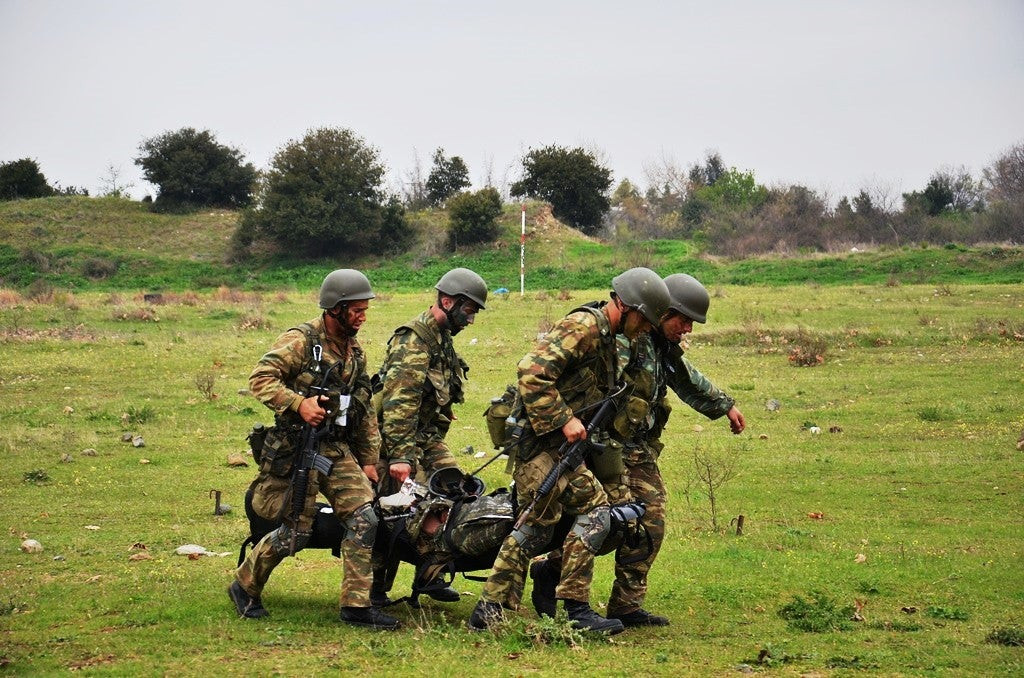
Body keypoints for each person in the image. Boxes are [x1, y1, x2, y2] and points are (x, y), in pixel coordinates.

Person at [529, 272, 745, 627]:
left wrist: (725, 406)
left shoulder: (660, 345)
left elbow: (685, 376)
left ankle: (626, 605)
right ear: (663, 312)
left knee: (650, 522)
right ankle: (555, 578)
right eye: (683, 320)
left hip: (638, 449)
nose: (687, 329)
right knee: (609, 522)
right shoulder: (624, 338)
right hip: (606, 448)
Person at [468, 267, 671, 634]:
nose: (645, 329)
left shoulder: (608, 337)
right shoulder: (584, 327)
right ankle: (573, 609)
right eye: (644, 320)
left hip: (559, 448)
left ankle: (491, 609)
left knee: (540, 526)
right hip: (540, 447)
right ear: (627, 307)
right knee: (569, 516)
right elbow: (531, 372)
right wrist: (564, 419)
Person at [228, 269, 400, 631]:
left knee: (365, 518)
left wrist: (370, 461)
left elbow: (364, 409)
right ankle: (244, 584)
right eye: (356, 310)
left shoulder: (355, 351)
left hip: (336, 449)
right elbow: (260, 378)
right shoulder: (301, 341)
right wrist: (298, 404)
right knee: (296, 532)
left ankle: (356, 605)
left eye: (365, 310)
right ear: (336, 308)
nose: (363, 317)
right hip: (299, 448)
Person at [370, 267, 487, 606]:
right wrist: (401, 458)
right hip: (396, 441)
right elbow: (398, 406)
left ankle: (430, 574)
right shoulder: (413, 341)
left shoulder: (441, 339)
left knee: (452, 494)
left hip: (427, 438)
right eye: (468, 310)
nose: (470, 320)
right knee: (397, 510)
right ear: (448, 302)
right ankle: (374, 591)